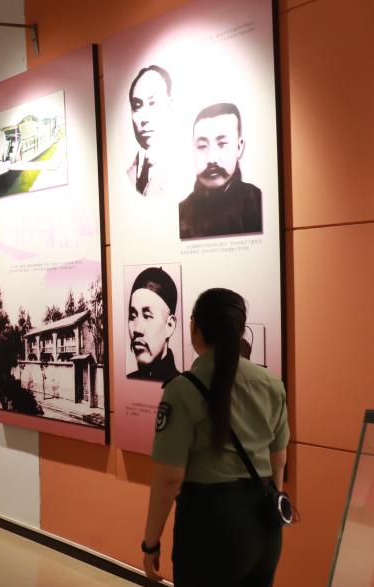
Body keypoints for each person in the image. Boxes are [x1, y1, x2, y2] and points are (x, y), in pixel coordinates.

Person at [141, 288, 288, 587]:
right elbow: (278, 461)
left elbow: (169, 476)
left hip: (210, 528)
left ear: (195, 328)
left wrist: (151, 542)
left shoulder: (182, 389)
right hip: (263, 528)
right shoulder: (270, 383)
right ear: (240, 330)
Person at [178, 103, 263, 240]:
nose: (211, 158)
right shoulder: (182, 212)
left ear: (239, 147)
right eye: (202, 146)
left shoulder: (256, 202)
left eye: (222, 144)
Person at [126, 65, 174, 197]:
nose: (144, 118)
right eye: (137, 106)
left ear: (170, 106)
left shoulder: (184, 169)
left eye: (152, 103)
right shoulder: (129, 174)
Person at [127, 267, 180, 382]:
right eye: (132, 316)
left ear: (170, 325)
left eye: (147, 316)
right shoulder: (128, 380)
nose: (137, 329)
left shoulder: (182, 386)